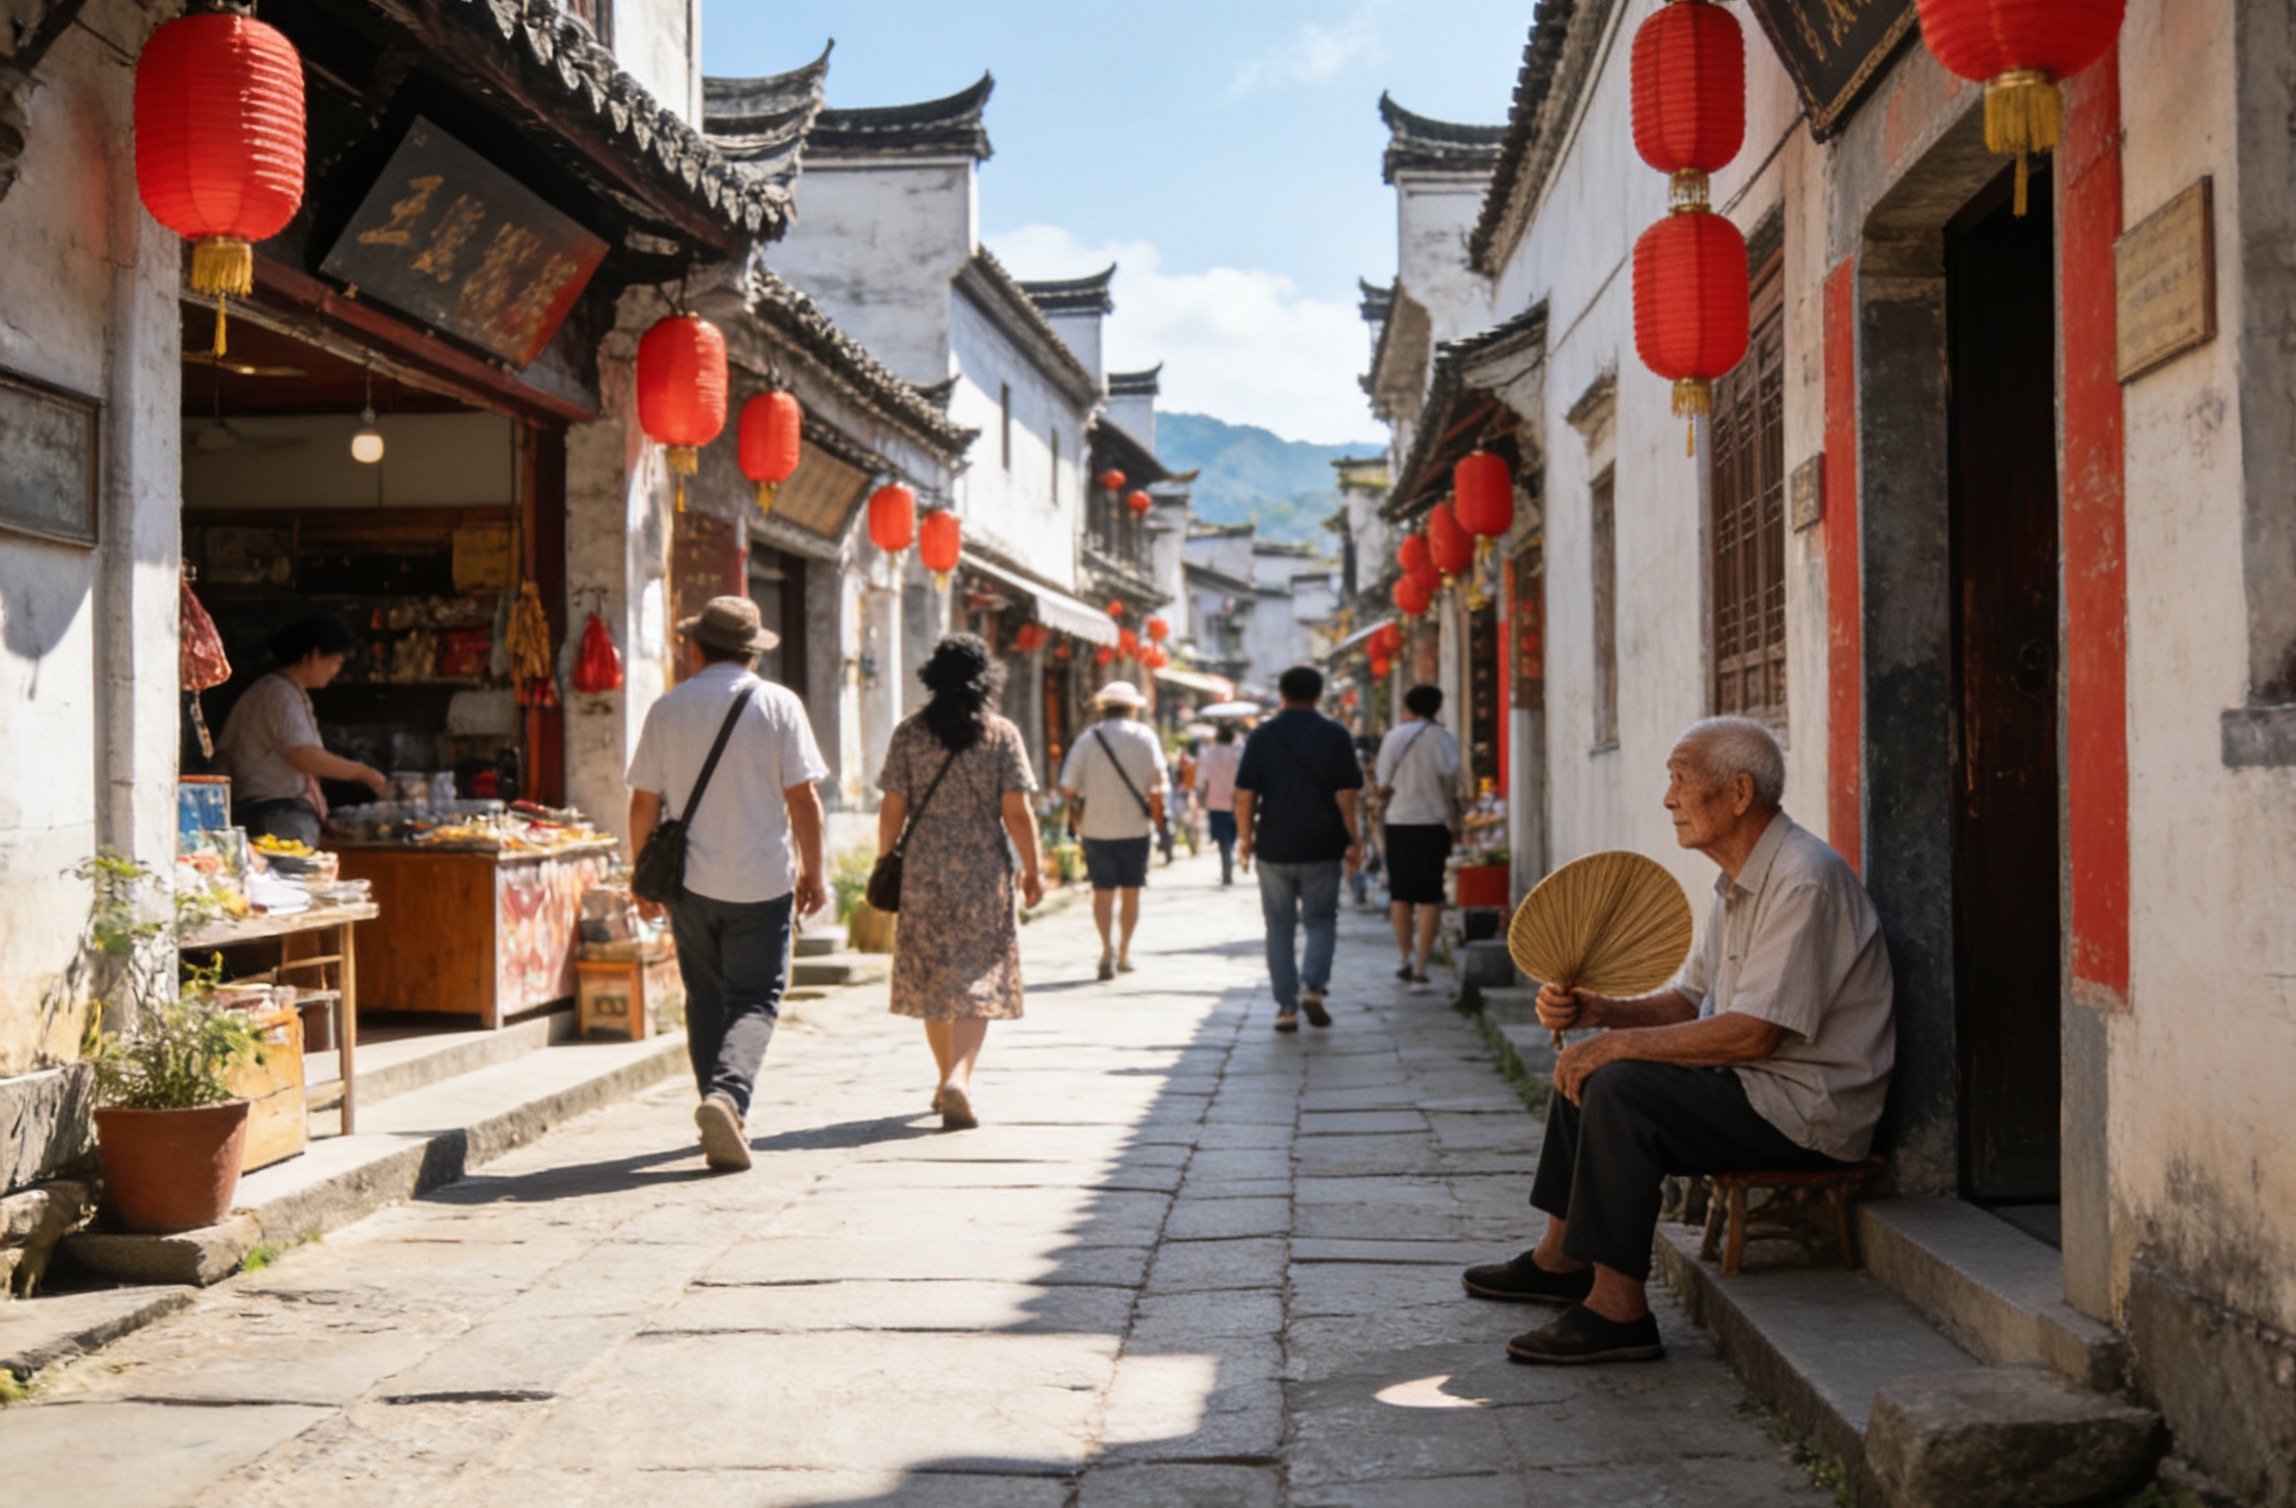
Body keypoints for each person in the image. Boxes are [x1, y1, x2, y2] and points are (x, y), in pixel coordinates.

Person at [1460, 717, 1894, 1364]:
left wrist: (1612, 1048)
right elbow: (1690, 1003)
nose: (1668, 798)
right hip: (1754, 1090)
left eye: (1681, 780)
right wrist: (1599, 1013)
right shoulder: (1741, 879)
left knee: (1619, 1085)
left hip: (1808, 1112)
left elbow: (1754, 1033)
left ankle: (1618, 1310)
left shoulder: (1803, 879)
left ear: (1739, 792)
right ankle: (1560, 1260)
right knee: (1589, 1069)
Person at [627, 596, 828, 1173]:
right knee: (756, 997)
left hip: (689, 883)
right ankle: (727, 1097)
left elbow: (643, 800)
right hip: (762, 881)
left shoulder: (668, 708)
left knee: (706, 997)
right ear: (753, 652)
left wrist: (641, 873)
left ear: (695, 649)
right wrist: (813, 869)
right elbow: (802, 797)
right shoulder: (779, 704)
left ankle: (715, 1103)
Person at [876, 634, 1045, 1130]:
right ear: (986, 679)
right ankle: (959, 1079)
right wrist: (1032, 869)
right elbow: (1016, 809)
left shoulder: (909, 733)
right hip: (981, 868)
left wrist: (885, 859)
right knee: (979, 976)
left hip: (923, 867)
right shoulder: (1000, 735)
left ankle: (944, 1076)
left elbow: (893, 806)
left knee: (934, 974)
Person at [1233, 666, 1364, 1032]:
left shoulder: (1262, 735)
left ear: (1281, 692)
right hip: (1323, 845)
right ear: (1319, 695)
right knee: (1321, 920)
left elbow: (1245, 795)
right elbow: (1347, 794)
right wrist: (1354, 839)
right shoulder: (1335, 734)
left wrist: (1245, 840)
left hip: (1273, 846)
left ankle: (1286, 1008)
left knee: (1278, 927)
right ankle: (1314, 986)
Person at [212, 615, 392, 846]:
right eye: (335, 661)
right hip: (274, 815)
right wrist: (362, 772)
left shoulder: (281, 690)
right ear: (314, 656)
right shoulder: (279, 695)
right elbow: (302, 755)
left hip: (275, 814)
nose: (336, 670)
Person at [1058, 681, 1169, 980]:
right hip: (1134, 828)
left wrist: (1077, 816)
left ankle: (1105, 948)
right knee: (1131, 893)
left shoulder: (1087, 739)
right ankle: (1123, 952)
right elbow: (1157, 788)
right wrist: (1160, 826)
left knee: (1102, 893)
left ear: (1102, 707)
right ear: (1133, 707)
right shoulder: (1145, 737)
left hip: (1096, 828)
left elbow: (1067, 785)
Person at [1375, 684, 1462, 987]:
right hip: (1432, 822)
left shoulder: (1394, 737)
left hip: (1398, 821)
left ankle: (1405, 956)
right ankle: (1421, 969)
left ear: (1408, 707)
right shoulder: (1443, 737)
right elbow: (1451, 771)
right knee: (1430, 896)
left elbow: (1382, 779)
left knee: (1400, 894)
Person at [1194, 724, 1243, 885]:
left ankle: (1226, 865)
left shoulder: (1209, 753)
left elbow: (1200, 777)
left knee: (1222, 838)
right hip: (1234, 800)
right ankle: (1229, 864)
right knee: (1232, 835)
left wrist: (1200, 790)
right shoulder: (1236, 753)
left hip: (1214, 800)